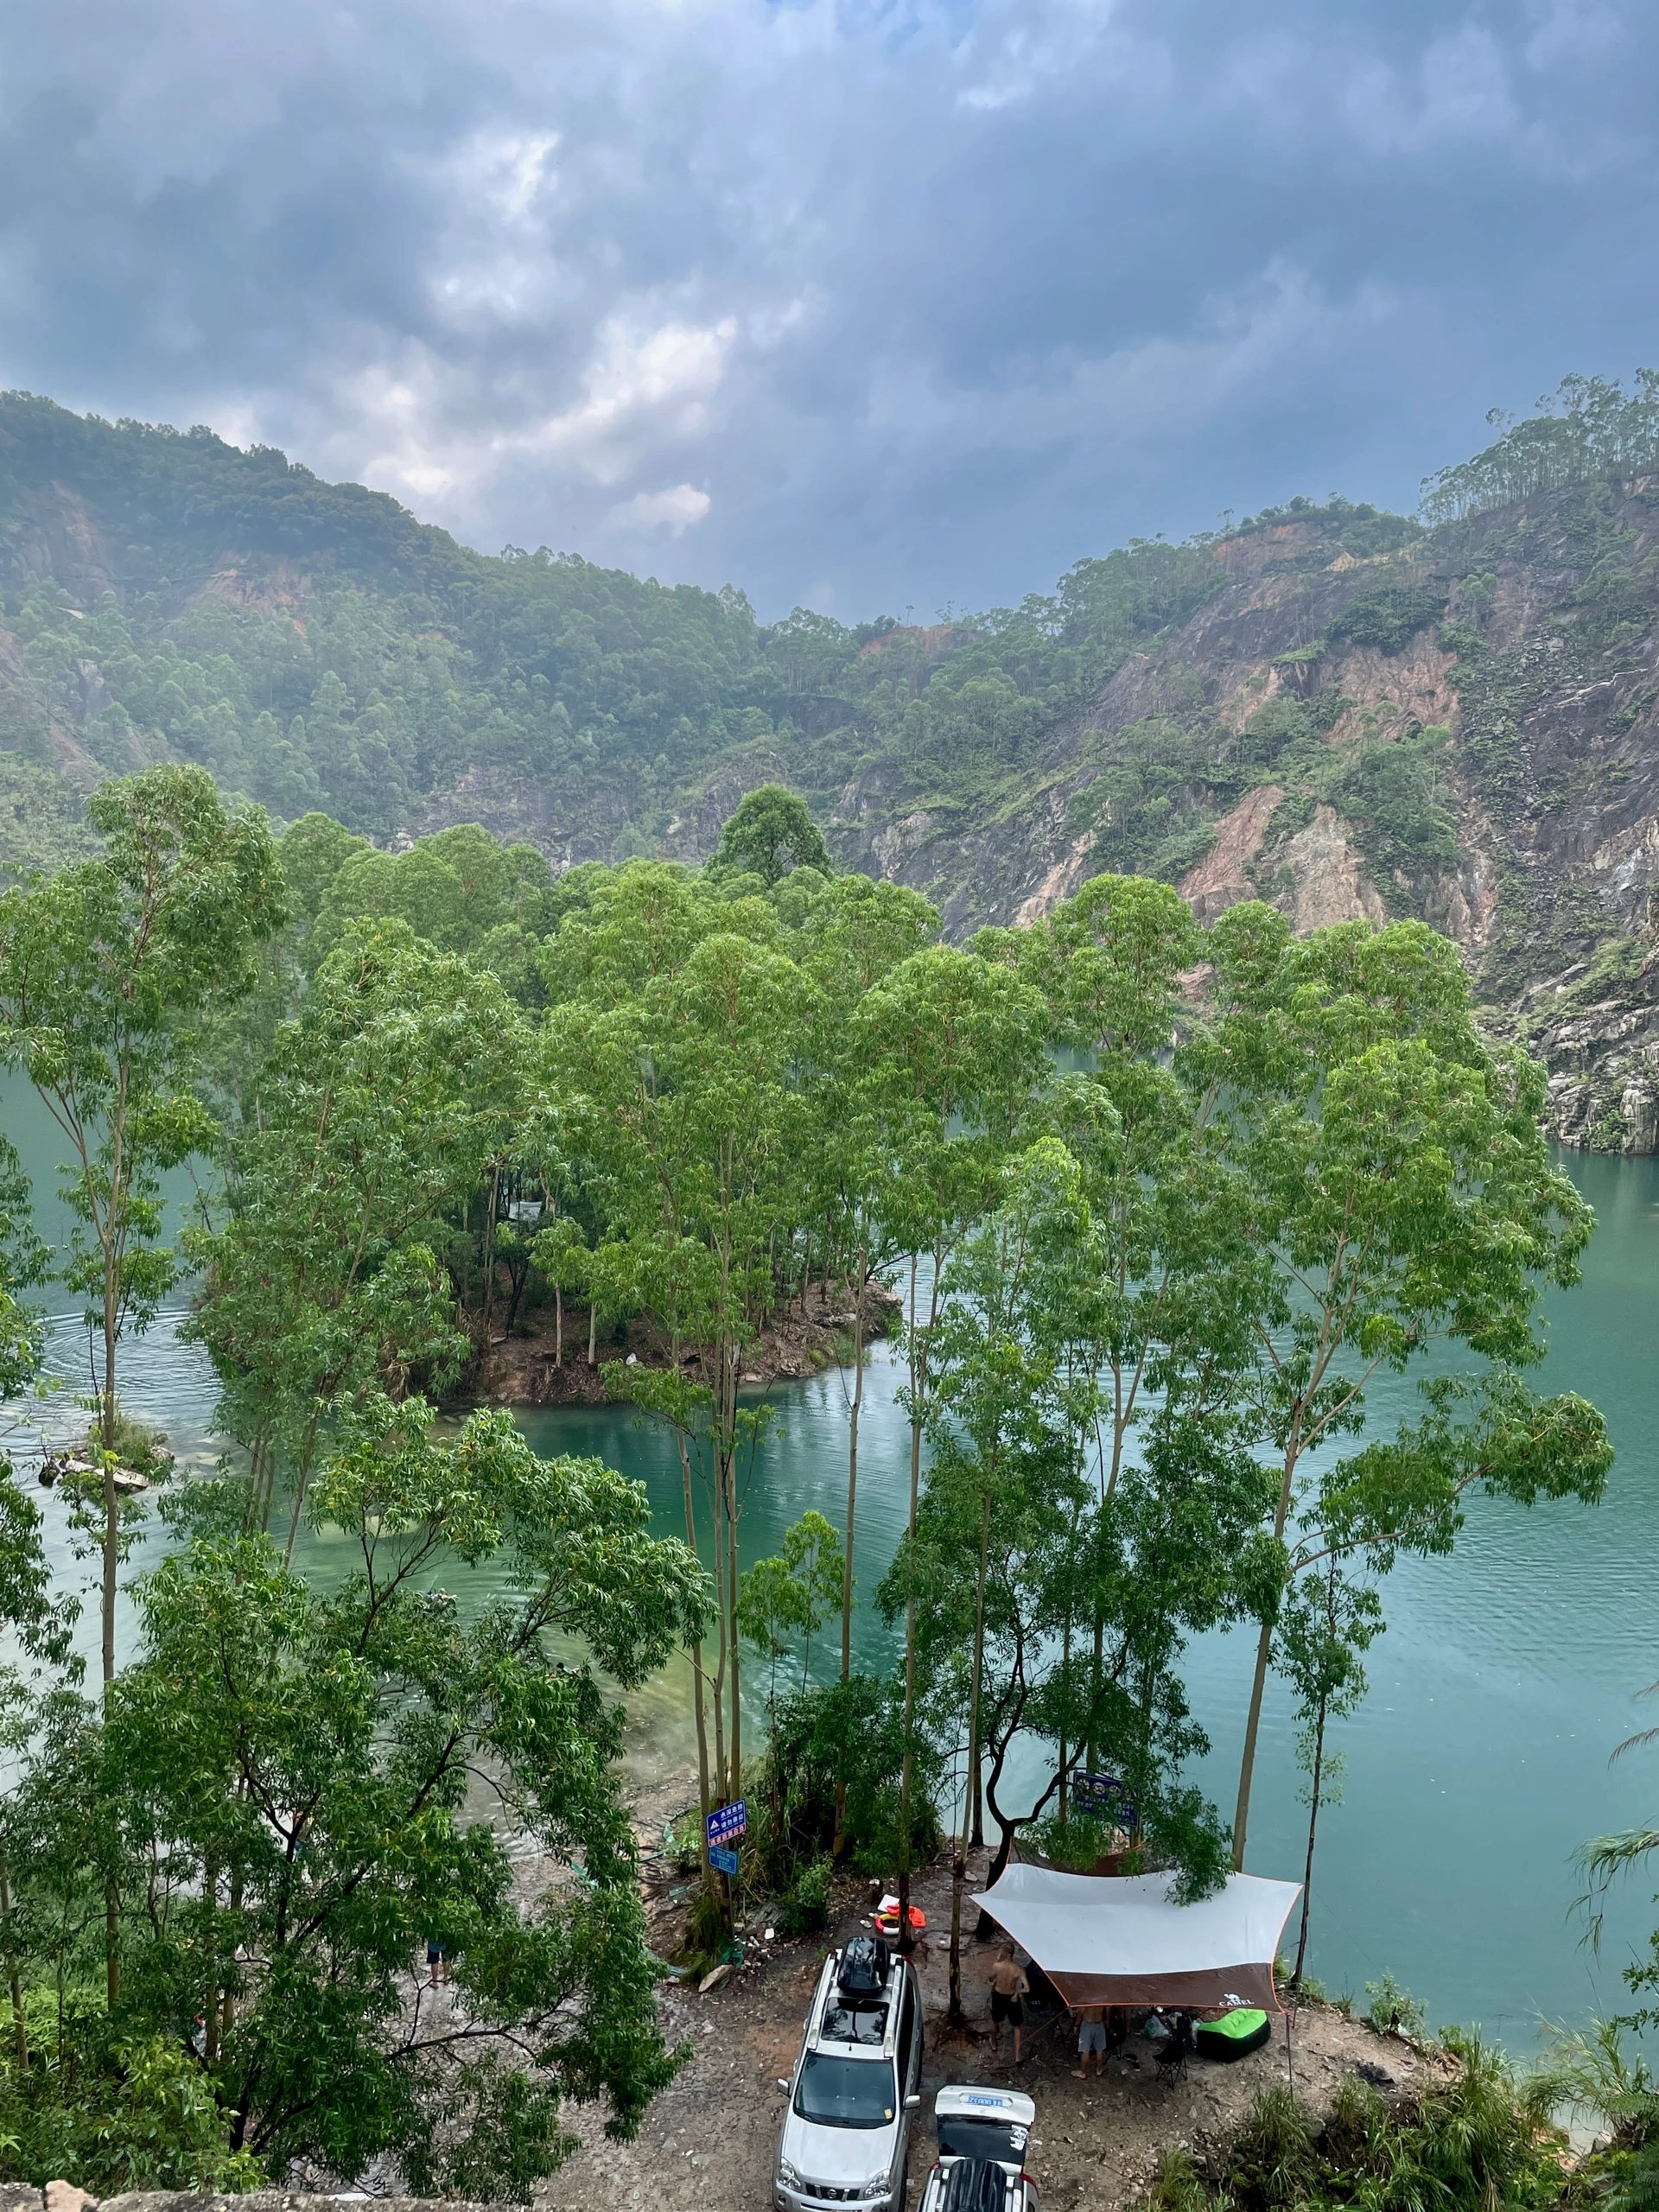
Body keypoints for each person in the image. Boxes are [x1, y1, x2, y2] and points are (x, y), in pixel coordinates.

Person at [988, 1945, 1029, 2064]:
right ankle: (1017, 2056)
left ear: (1005, 1953)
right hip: (1012, 1997)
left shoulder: (997, 1966)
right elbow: (1027, 1988)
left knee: (994, 2020)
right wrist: (1017, 1992)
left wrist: (997, 1961)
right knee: (1017, 2026)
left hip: (999, 1996)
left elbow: (990, 1979)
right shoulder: (1018, 1969)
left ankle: (994, 2043)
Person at [1072, 2001, 1107, 2080]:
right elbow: (1107, 2010)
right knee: (1099, 2049)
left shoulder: (1087, 1997)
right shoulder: (1102, 1997)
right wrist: (1107, 2022)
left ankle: (1083, 2072)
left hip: (1087, 2024)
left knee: (1085, 2050)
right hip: (1099, 2023)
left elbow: (1081, 2012)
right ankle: (1099, 2069)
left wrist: (1076, 2025)